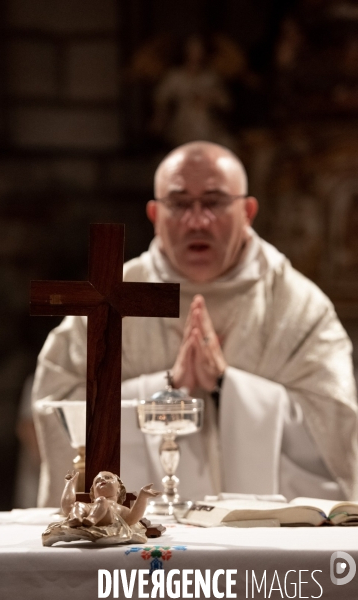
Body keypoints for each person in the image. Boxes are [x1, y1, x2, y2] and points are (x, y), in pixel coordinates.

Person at [32, 141, 358, 507]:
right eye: (180, 203)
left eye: (215, 202)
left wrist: (226, 385)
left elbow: (335, 425)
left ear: (248, 211)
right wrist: (166, 389)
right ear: (154, 214)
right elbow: (58, 406)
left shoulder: (298, 307)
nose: (197, 220)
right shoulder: (111, 296)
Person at [42, 470, 159, 546]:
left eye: (108, 478)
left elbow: (133, 518)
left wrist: (143, 496)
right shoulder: (91, 505)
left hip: (108, 519)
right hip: (90, 511)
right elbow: (68, 506)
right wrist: (69, 484)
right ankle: (75, 519)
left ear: (119, 489)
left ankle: (92, 520)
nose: (102, 480)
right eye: (97, 481)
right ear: (93, 493)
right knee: (78, 505)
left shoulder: (118, 508)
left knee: (102, 501)